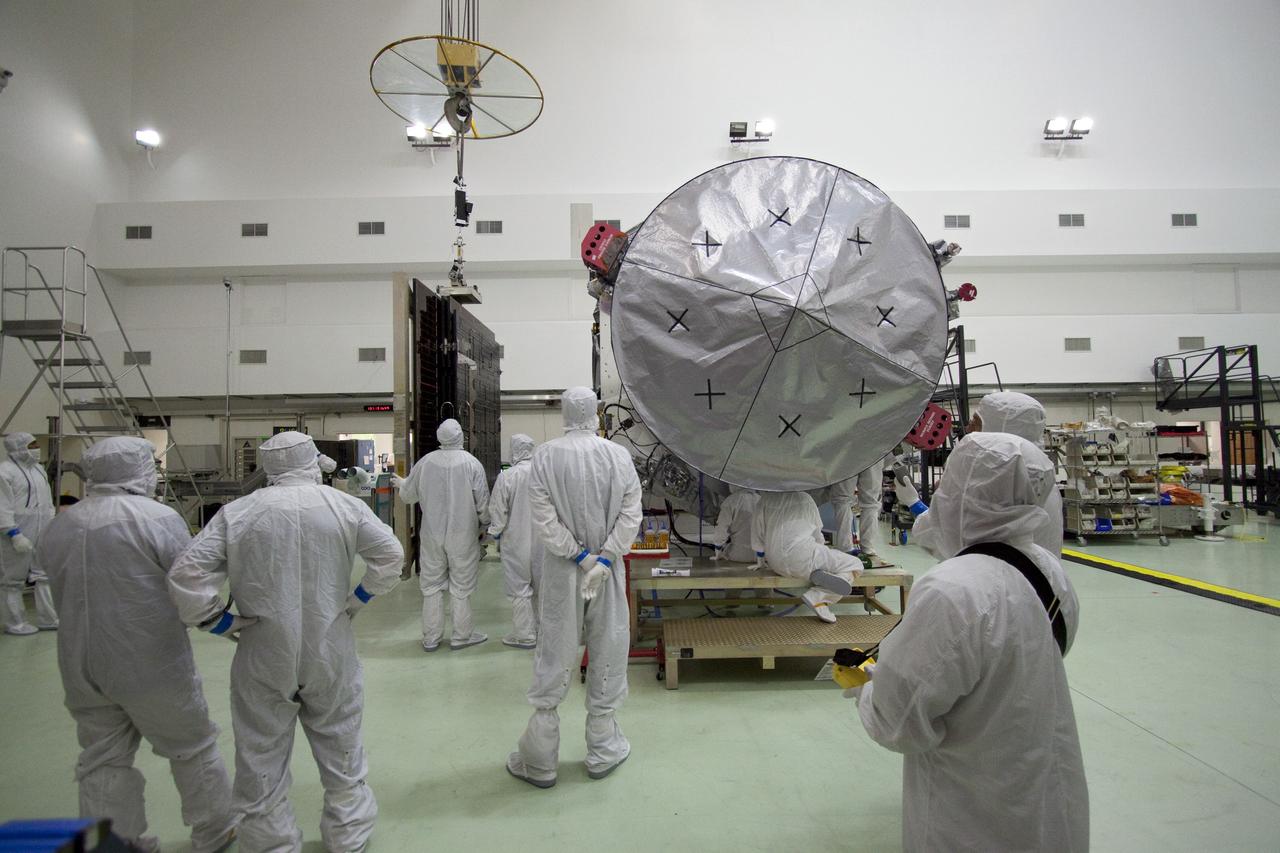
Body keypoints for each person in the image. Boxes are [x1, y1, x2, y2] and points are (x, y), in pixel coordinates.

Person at [847, 432, 1088, 852]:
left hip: (972, 817)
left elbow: (898, 720)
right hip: (1047, 801)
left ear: (961, 491)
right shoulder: (1048, 570)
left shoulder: (952, 591)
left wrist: (862, 681)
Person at [168, 431, 404, 853]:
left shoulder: (238, 513)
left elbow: (186, 575)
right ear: (311, 461)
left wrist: (220, 622)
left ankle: (269, 842)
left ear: (269, 467)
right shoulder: (343, 506)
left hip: (263, 648)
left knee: (260, 749)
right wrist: (357, 599)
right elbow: (390, 556)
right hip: (330, 645)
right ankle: (347, 832)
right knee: (340, 738)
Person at [38, 437, 236, 853]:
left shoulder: (62, 524)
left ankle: (115, 842)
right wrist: (218, 618)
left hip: (80, 661)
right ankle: (215, 831)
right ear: (138, 469)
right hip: (148, 658)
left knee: (102, 756)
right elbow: (189, 580)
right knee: (190, 745)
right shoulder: (155, 518)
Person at [506, 387, 643, 788]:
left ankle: (540, 761)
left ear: (565, 413)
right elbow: (631, 514)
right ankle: (603, 750)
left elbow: (544, 518)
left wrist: (579, 557)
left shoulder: (545, 456)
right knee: (609, 646)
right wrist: (603, 560)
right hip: (606, 571)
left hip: (561, 572)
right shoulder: (618, 456)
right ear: (596, 414)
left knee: (555, 651)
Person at [897, 392, 1063, 555]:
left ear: (998, 429)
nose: (968, 429)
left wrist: (914, 503)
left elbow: (941, 538)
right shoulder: (1041, 482)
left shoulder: (995, 485)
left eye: (976, 423)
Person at [393, 418, 491, 651]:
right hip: (463, 534)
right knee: (461, 586)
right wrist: (486, 525)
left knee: (431, 585)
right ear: (460, 436)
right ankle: (461, 636)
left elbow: (408, 496)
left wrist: (403, 483)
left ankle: (431, 638)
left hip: (432, 534)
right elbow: (483, 504)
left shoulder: (426, 462)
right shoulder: (471, 463)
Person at [750, 491, 862, 623]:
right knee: (855, 564)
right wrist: (823, 554)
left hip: (775, 563)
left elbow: (757, 534)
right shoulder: (806, 498)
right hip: (804, 558)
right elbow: (817, 534)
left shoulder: (765, 499)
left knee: (821, 561)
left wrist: (761, 560)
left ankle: (820, 597)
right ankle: (818, 595)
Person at [488, 434, 543, 649]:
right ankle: (542, 632)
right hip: (544, 541)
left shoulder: (507, 477)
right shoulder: (543, 474)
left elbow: (498, 510)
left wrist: (495, 533)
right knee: (541, 589)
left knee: (520, 589)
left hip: (516, 540)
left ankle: (525, 636)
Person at [0, 431, 58, 634]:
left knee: (44, 575)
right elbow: (2, 506)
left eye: (36, 445)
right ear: (18, 448)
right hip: (17, 532)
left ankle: (49, 618)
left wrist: (52, 524)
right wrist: (13, 533)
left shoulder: (38, 470)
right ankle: (15, 622)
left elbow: (47, 501)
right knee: (13, 580)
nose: (36, 449)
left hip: (42, 529)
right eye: (31, 446)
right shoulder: (5, 471)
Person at [709, 483, 759, 563]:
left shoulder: (731, 501)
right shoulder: (761, 500)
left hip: (739, 554)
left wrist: (718, 550)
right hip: (763, 556)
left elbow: (721, 529)